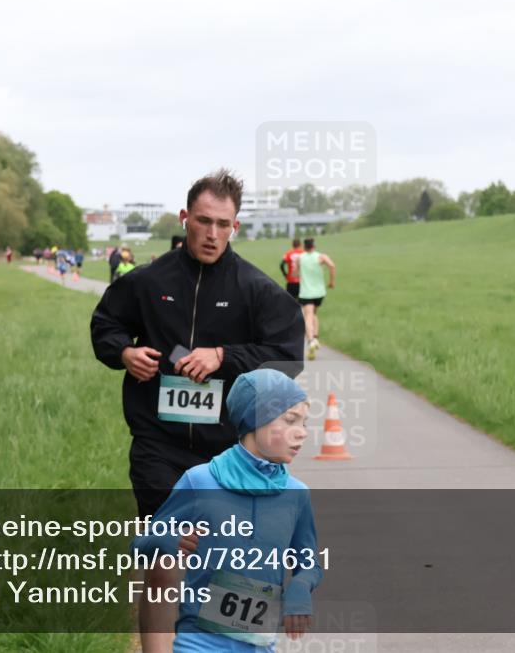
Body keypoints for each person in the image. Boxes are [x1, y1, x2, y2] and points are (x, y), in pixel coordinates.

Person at [90, 169, 305, 653]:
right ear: (185, 218)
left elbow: (288, 354)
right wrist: (124, 352)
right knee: (166, 553)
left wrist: (223, 357)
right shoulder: (148, 281)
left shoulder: (255, 289)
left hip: (227, 453)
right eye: (203, 221)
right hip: (158, 444)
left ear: (236, 227)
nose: (212, 234)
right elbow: (105, 325)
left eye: (223, 224)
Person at [132, 369, 321, 652]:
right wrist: (167, 541)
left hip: (258, 643)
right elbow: (139, 545)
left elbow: (309, 564)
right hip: (198, 641)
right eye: (291, 420)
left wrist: (301, 586)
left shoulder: (296, 494)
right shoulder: (200, 480)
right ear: (255, 419)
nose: (303, 432)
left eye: (305, 422)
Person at [293, 238, 335, 361]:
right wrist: (332, 281)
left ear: (304, 247)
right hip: (319, 292)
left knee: (307, 316)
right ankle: (315, 338)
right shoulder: (321, 257)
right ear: (314, 246)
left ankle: (310, 341)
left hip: (306, 292)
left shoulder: (300, 258)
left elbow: (295, 274)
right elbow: (332, 266)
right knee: (314, 314)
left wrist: (299, 269)